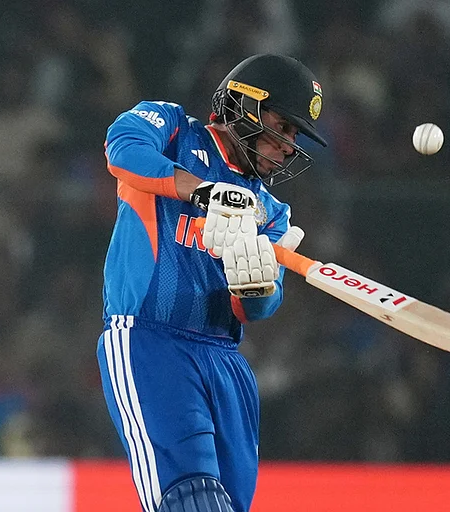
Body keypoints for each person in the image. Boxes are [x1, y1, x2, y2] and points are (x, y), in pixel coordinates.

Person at [96, 54, 327, 512]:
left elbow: (256, 309)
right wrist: (203, 191)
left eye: (297, 136)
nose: (288, 146)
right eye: (284, 126)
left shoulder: (273, 213)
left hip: (226, 362)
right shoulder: (173, 130)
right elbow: (122, 148)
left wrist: (257, 288)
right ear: (245, 106)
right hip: (149, 340)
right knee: (191, 500)